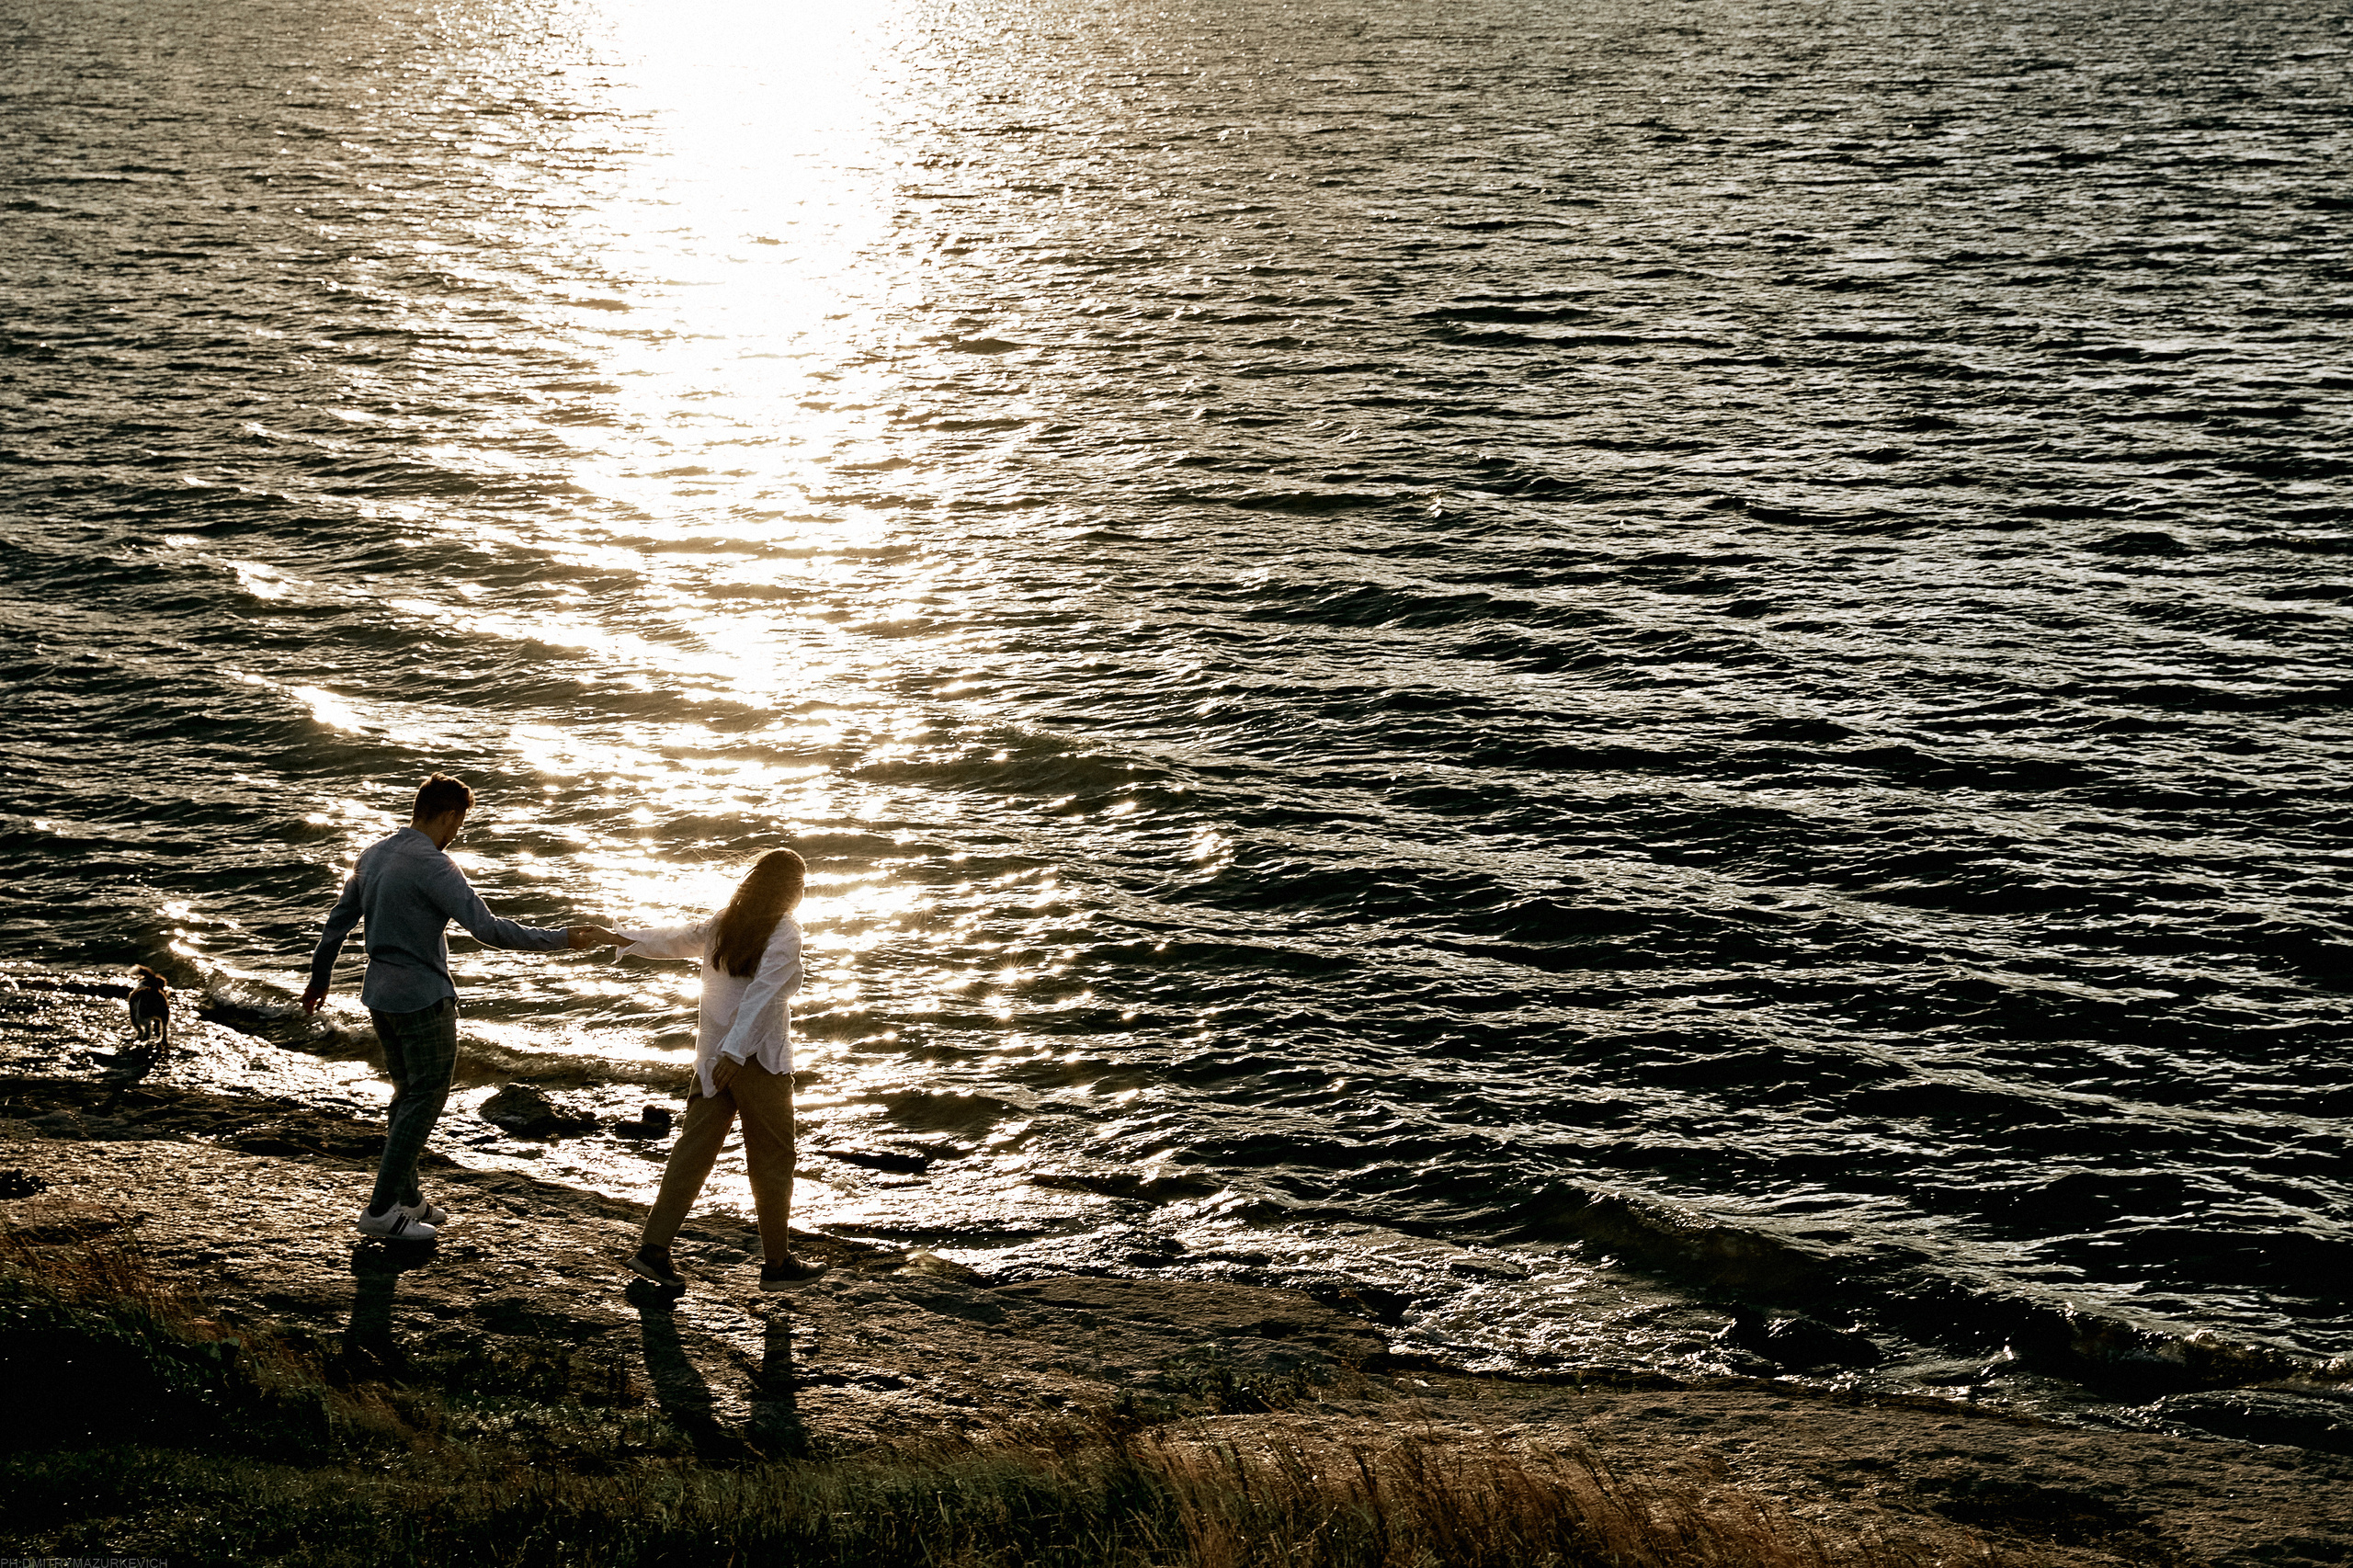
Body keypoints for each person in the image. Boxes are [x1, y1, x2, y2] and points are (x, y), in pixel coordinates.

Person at [301, 772, 613, 1242]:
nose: (456, 834)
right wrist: (562, 939)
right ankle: (381, 1211)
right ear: (449, 815)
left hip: (379, 995)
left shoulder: (373, 854)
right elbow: (487, 929)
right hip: (423, 999)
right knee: (424, 1101)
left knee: (405, 1097)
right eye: (458, 823)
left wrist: (318, 977)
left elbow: (336, 924)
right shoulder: (435, 864)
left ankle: (408, 1199)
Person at [615, 848, 827, 1292]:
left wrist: (620, 937)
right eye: (801, 884)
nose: (804, 892)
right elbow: (763, 997)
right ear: (789, 890)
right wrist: (735, 1054)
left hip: (714, 1059)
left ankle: (653, 1249)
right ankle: (776, 1265)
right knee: (773, 1159)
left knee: (693, 1151)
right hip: (754, 1061)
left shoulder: (725, 922)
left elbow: (674, 939)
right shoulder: (785, 931)